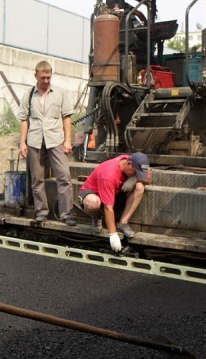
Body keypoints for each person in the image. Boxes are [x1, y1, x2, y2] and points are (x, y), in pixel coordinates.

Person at [18, 61, 76, 226]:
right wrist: (22, 143)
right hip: (35, 140)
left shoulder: (60, 93)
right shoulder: (29, 95)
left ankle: (67, 214)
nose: (46, 81)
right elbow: (24, 120)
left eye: (48, 77)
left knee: (64, 176)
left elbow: (67, 118)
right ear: (35, 75)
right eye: (43, 78)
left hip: (56, 140)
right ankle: (41, 212)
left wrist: (67, 140)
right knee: (37, 179)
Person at [78, 152, 150, 253]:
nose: (137, 174)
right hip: (94, 193)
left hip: (114, 192)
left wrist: (135, 179)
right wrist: (113, 235)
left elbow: (148, 179)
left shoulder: (133, 162)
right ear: (129, 163)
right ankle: (97, 215)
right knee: (93, 203)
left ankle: (122, 223)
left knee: (140, 186)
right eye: (135, 172)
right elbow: (108, 208)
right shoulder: (109, 174)